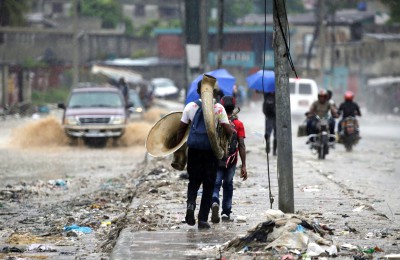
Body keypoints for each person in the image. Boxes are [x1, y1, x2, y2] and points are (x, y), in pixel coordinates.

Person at [176, 79, 233, 229]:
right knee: (209, 185)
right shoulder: (218, 108)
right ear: (214, 92)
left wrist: (179, 150)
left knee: (193, 182)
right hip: (211, 151)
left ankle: (190, 206)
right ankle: (202, 219)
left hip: (194, 150)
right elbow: (228, 131)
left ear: (197, 92)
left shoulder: (190, 106)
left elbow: (181, 129)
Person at [211, 96, 247, 223]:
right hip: (231, 161)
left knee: (215, 183)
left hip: (217, 158)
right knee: (228, 184)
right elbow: (241, 145)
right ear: (233, 108)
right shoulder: (238, 124)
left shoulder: (215, 122)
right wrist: (244, 166)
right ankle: (226, 212)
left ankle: (214, 201)